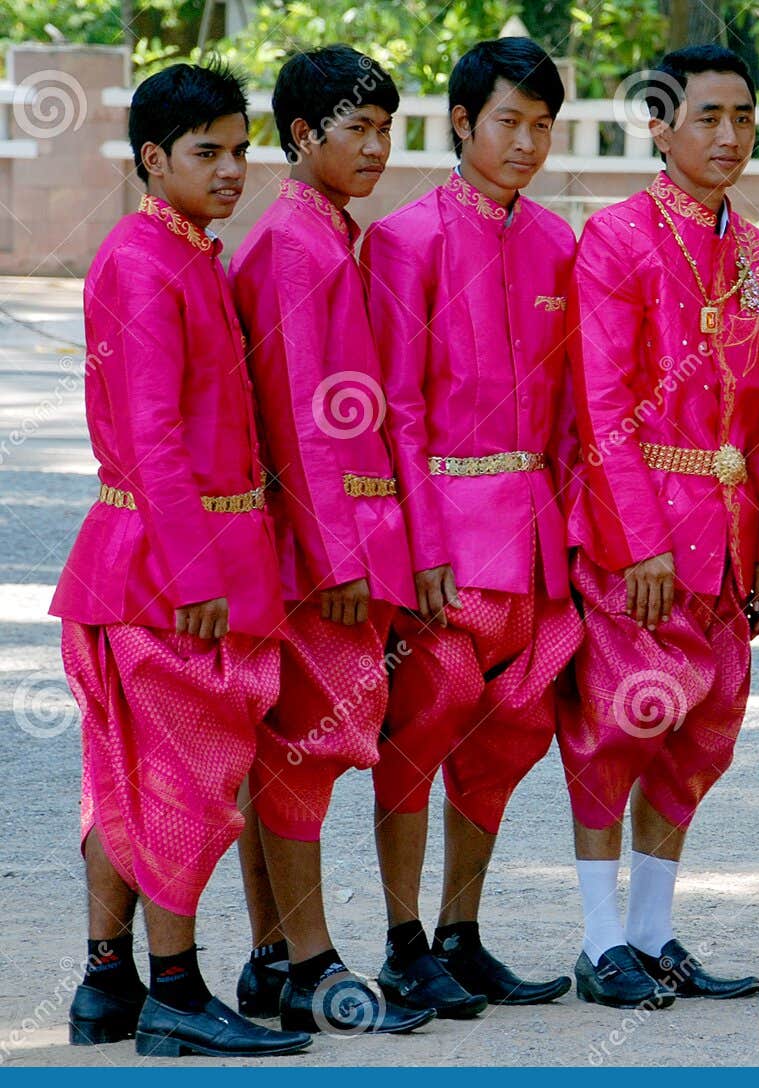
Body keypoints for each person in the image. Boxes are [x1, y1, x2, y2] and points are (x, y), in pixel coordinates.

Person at [56, 62, 311, 1058]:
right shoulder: (140, 260)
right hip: (172, 564)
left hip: (156, 555)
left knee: (125, 773)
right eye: (208, 151)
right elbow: (154, 435)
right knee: (182, 780)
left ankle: (106, 981)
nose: (233, 168)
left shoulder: (186, 252)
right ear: (154, 158)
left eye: (242, 150)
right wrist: (199, 572)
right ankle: (173, 988)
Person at [362, 36, 580, 1018]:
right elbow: (393, 409)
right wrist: (420, 549)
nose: (526, 143)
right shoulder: (405, 239)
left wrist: (572, 537)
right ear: (461, 122)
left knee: (506, 732)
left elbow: (573, 415)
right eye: (508, 122)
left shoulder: (555, 244)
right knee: (424, 722)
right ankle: (403, 940)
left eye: (542, 126)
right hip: (445, 529)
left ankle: (461, 931)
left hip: (530, 531)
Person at [558, 44, 759, 1009]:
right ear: (659, 124)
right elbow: (600, 404)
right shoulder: (615, 239)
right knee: (616, 727)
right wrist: (638, 536)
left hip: (730, 535)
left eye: (742, 118)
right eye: (707, 118)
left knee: (702, 735)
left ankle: (651, 932)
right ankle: (599, 939)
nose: (728, 136)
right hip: (637, 531)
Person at [229, 45, 433, 1037]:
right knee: (302, 754)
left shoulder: (324, 234)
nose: (380, 148)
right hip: (320, 551)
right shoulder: (294, 246)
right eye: (359, 129)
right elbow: (297, 420)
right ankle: (312, 964)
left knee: (293, 748)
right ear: (304, 135)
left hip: (342, 539)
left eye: (389, 129)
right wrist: (339, 557)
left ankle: (273, 956)